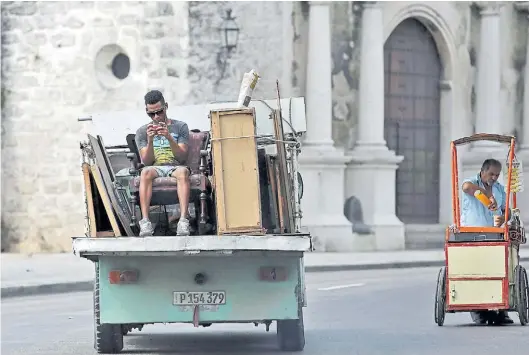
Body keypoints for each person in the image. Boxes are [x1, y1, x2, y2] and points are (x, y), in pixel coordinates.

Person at [460, 158, 513, 325]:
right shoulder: (471, 182)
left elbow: (507, 211)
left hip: (493, 234)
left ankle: (500, 310)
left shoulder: (499, 189)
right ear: (483, 171)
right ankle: (478, 311)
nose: (494, 178)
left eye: (497, 175)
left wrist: (504, 217)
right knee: (475, 271)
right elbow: (467, 188)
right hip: (472, 234)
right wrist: (487, 195)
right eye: (491, 174)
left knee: (498, 271)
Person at [135, 90, 191, 237]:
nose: (156, 117)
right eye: (151, 114)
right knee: (145, 172)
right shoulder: (142, 132)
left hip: (175, 165)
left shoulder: (180, 127)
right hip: (155, 167)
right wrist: (150, 140)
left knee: (183, 172)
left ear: (166, 106)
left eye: (159, 112)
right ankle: (145, 222)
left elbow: (182, 158)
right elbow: (147, 162)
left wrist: (168, 137)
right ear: (147, 111)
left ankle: (184, 220)